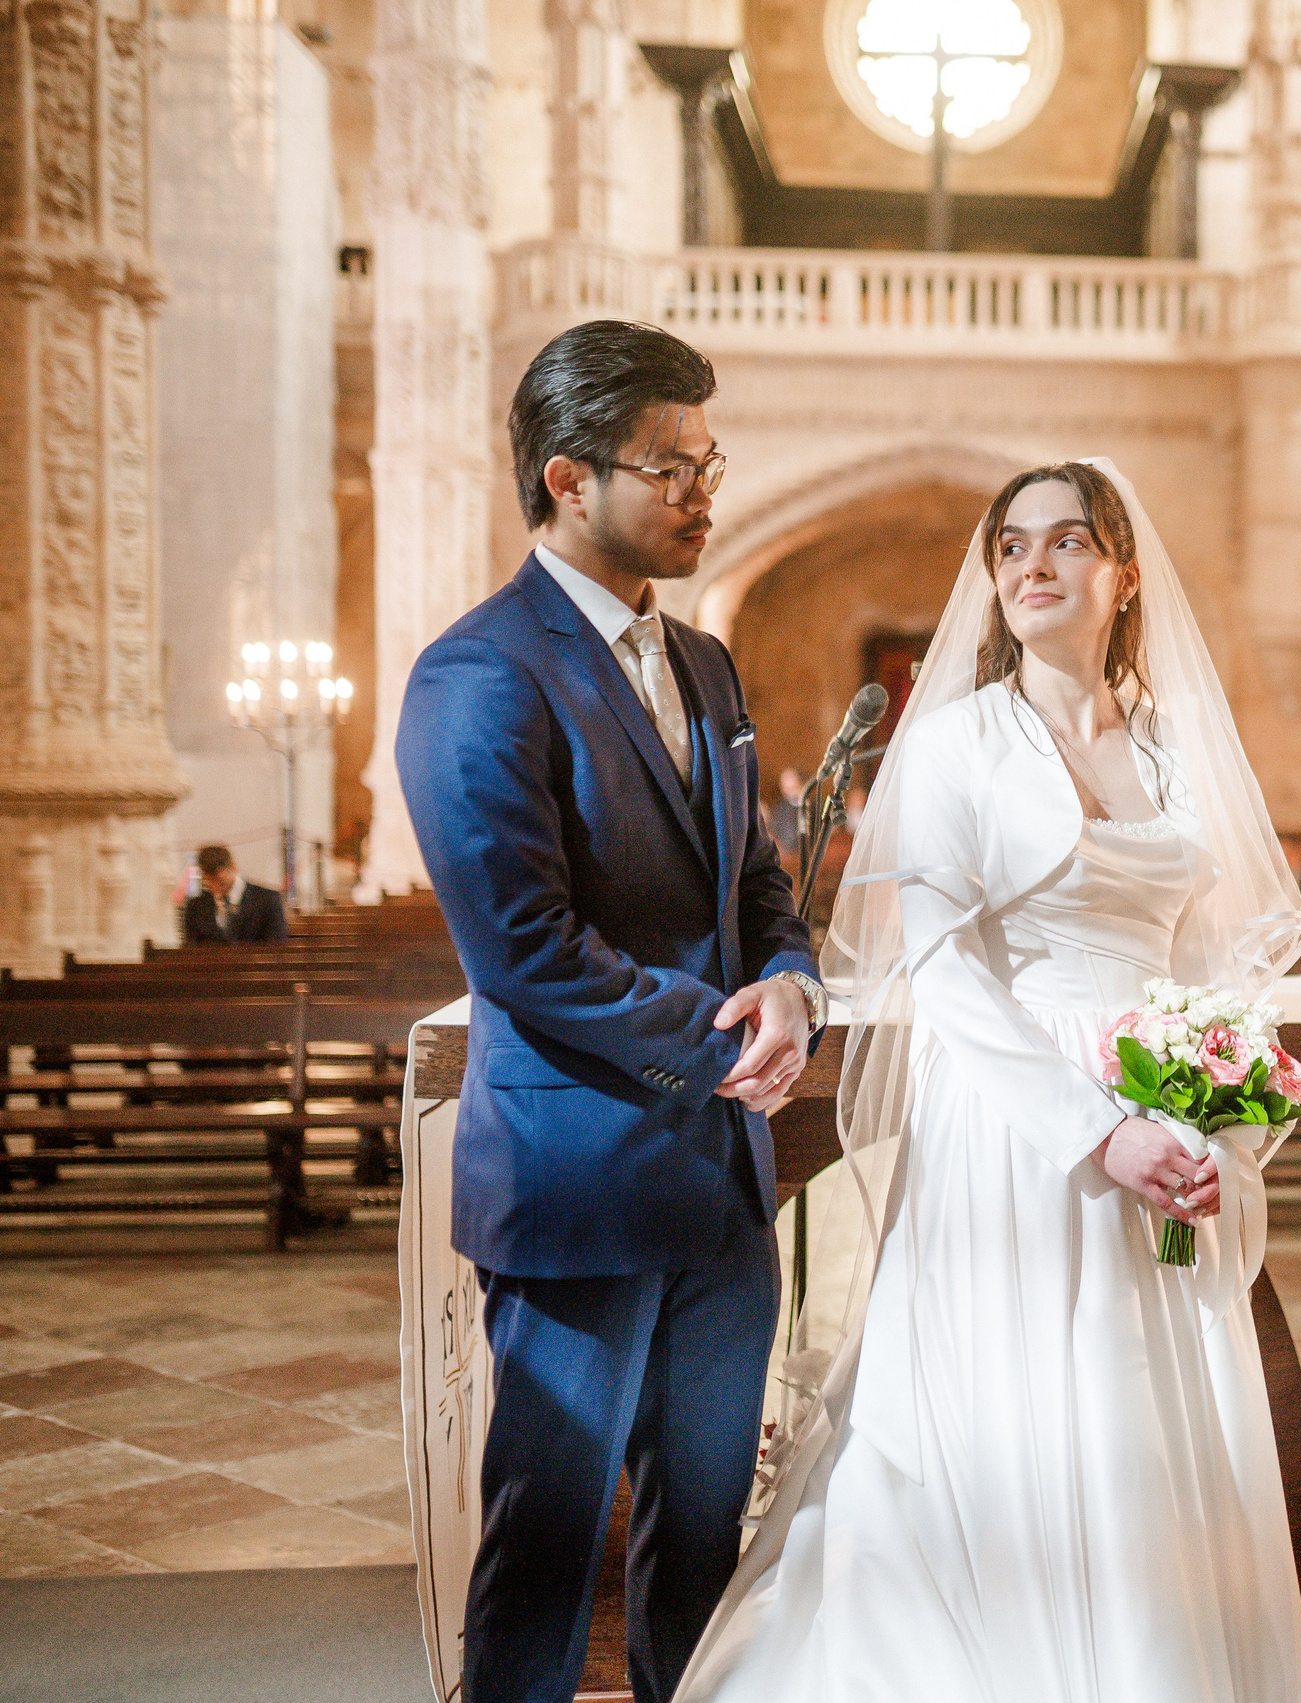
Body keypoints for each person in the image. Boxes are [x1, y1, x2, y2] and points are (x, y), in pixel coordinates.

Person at [673, 461, 1301, 1703]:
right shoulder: (959, 741)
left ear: (1122, 575)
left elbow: (1213, 955)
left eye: (1068, 541)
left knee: (1141, 1429)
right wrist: (1095, 1132)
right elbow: (944, 966)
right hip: (1014, 1124)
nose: (1033, 565)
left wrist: (1213, 1116)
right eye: (1010, 545)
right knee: (1007, 1422)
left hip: (1158, 1113)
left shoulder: (1176, 753)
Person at [394, 321, 825, 1703]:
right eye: (672, 466)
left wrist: (796, 984)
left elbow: (756, 878)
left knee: (703, 1531)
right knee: (549, 1543)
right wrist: (725, 1029)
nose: (707, 491)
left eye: (711, 460)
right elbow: (524, 949)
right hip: (579, 1173)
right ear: (570, 478)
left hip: (717, 1183)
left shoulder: (704, 664)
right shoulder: (479, 673)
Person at [182, 845, 288, 943]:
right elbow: (191, 949)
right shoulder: (195, 906)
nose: (216, 888)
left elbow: (276, 947)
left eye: (221, 882)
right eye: (209, 883)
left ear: (233, 867)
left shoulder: (267, 899)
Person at [769, 767, 804, 862]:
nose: (790, 791)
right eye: (786, 788)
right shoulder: (779, 809)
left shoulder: (813, 806)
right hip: (784, 857)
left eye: (793, 787)